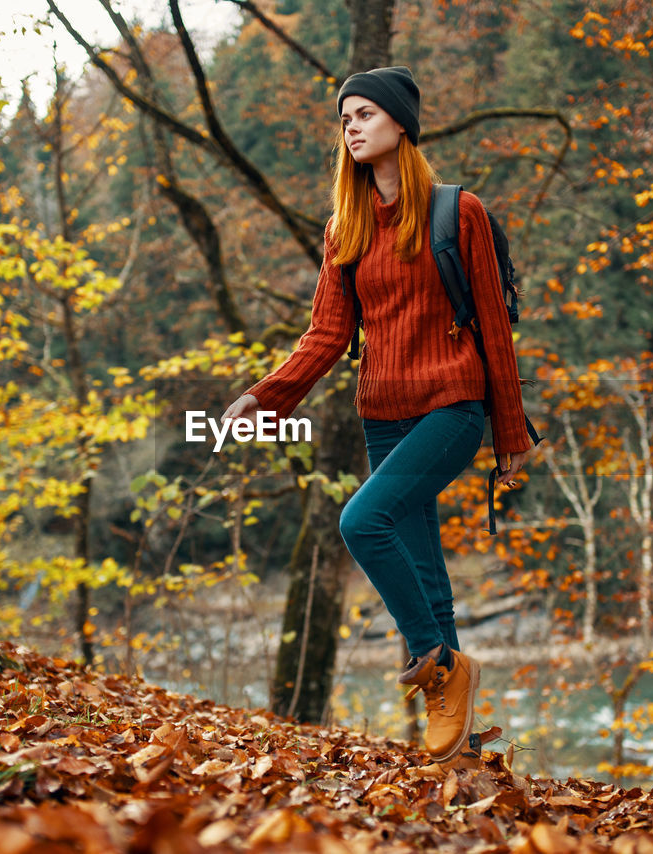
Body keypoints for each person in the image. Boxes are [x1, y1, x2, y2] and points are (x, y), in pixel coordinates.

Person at [221, 66, 536, 764]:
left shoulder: (461, 212)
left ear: (401, 123)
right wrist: (267, 395)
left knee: (363, 521)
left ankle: (434, 662)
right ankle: (453, 743)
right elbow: (327, 336)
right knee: (425, 571)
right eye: (345, 119)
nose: (353, 127)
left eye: (365, 114)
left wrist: (510, 434)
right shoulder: (347, 228)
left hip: (453, 405)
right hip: (383, 416)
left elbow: (493, 325)